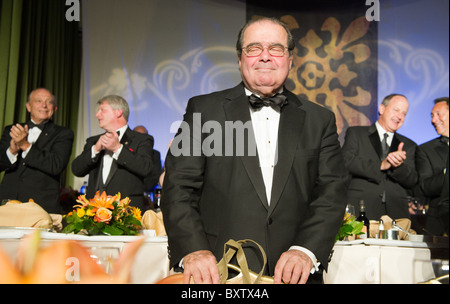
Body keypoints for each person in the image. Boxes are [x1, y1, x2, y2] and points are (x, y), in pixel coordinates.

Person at [161, 17, 348, 284]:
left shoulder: (320, 119)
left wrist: (305, 250)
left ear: (290, 59)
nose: (265, 57)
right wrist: (193, 249)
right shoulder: (203, 110)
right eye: (254, 48)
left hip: (296, 274)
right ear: (240, 59)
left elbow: (331, 192)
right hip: (218, 270)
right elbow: (178, 187)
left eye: (275, 48)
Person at [342, 94, 418, 221]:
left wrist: (397, 166)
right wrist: (381, 165)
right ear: (382, 109)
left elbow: (413, 180)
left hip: (396, 213)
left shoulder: (408, 145)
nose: (400, 116)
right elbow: (346, 161)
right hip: (361, 208)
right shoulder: (357, 133)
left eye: (404, 113)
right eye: (396, 110)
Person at [72, 95, 154, 211]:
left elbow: (146, 168)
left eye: (102, 110)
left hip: (126, 212)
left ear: (118, 113)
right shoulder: (94, 141)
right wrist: (95, 149)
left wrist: (117, 148)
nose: (97, 115)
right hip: (94, 214)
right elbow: (76, 169)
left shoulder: (141, 139)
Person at [0, 88, 74, 213]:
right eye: (38, 101)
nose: (44, 105)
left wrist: (25, 145)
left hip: (41, 205)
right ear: (28, 107)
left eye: (49, 102)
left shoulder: (63, 133)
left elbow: (56, 165)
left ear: (55, 109)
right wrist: (11, 151)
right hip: (7, 202)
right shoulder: (12, 129)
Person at [415, 97, 449, 236]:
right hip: (441, 222)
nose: (433, 120)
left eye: (438, 114)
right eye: (432, 115)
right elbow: (425, 186)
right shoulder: (426, 149)